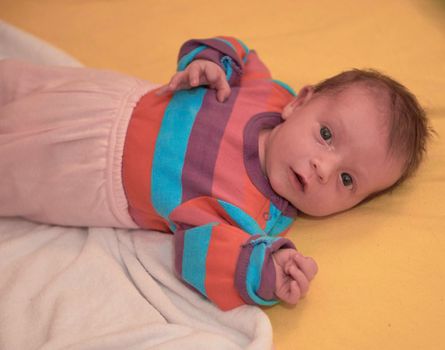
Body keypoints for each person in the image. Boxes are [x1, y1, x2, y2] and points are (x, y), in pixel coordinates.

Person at [0, 36, 431, 310]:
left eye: (347, 180)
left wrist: (268, 270)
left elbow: (200, 258)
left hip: (85, 171)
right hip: (111, 96)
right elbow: (239, 51)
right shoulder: (265, 91)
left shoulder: (251, 217)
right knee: (20, 82)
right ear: (299, 102)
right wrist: (210, 63)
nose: (324, 167)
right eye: (325, 134)